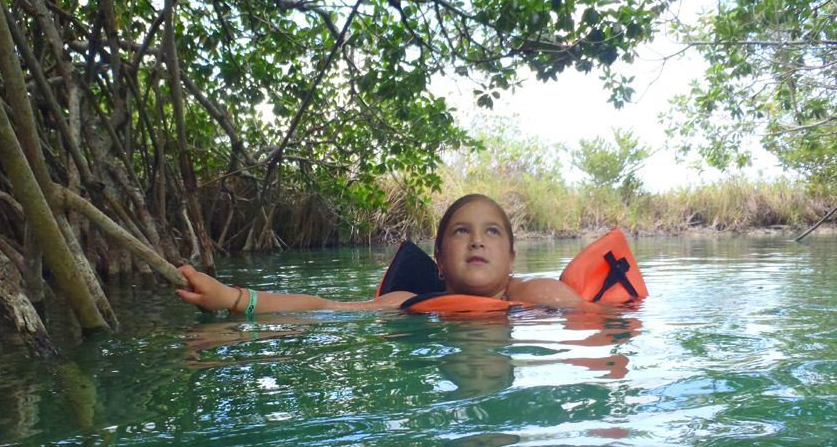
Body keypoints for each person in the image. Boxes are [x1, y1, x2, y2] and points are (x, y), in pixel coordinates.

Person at [175, 193, 590, 314]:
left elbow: (601, 322)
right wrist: (232, 299)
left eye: (492, 232)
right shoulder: (407, 303)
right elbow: (326, 307)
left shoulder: (538, 296)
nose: (477, 241)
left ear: (513, 259)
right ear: (439, 262)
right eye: (461, 232)